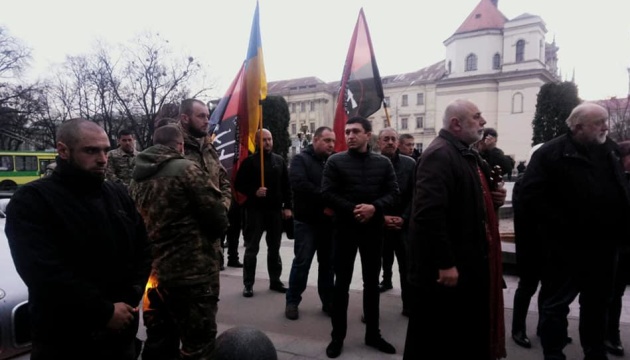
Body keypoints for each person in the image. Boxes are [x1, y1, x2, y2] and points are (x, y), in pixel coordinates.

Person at [5, 118, 151, 360]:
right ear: (63, 150)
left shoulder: (116, 194)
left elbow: (143, 249)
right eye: (91, 151)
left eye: (105, 150)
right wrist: (103, 312)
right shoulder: (32, 200)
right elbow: (42, 272)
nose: (103, 159)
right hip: (65, 340)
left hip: (121, 334)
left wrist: (128, 300)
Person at [519, 102, 630, 360]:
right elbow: (531, 199)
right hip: (563, 248)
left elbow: (620, 190)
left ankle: (595, 352)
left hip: (603, 247)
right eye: (599, 123)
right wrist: (564, 226)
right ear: (578, 127)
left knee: (597, 305)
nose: (606, 127)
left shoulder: (609, 150)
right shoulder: (550, 153)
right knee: (556, 307)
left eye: (606, 121)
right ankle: (554, 354)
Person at [404, 99, 507, 360]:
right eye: (477, 116)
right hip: (447, 269)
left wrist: (491, 198)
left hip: (466, 261)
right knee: (438, 339)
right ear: (456, 124)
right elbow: (428, 214)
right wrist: (445, 262)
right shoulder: (440, 154)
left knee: (459, 335)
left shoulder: (463, 152)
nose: (483, 122)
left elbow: (467, 199)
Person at [129, 125, 228, 359]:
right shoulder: (186, 169)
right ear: (180, 145)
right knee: (198, 345)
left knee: (159, 341)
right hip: (192, 275)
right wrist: (225, 198)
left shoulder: (137, 176)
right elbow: (218, 220)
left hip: (154, 276)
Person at [321, 116, 400, 358]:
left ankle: (373, 334)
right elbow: (327, 193)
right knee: (341, 284)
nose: (350, 136)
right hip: (345, 230)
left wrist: (374, 208)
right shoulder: (335, 161)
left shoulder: (383, 164)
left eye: (355, 131)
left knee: (371, 284)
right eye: (347, 132)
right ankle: (337, 336)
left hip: (373, 231)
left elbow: (394, 192)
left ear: (368, 135)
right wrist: (355, 209)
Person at [285, 126, 336, 320]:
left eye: (333, 141)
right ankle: (292, 301)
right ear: (315, 140)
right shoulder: (300, 160)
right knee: (302, 263)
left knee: (328, 265)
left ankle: (328, 302)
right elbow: (300, 185)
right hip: (306, 222)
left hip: (328, 223)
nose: (331, 144)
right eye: (327, 140)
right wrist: (327, 198)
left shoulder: (334, 161)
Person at [234, 128, 293, 297]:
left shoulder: (279, 161)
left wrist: (288, 206)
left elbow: (287, 186)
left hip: (274, 211)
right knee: (252, 248)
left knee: (274, 248)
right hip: (255, 211)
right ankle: (248, 284)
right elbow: (238, 184)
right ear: (257, 142)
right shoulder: (250, 162)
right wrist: (254, 191)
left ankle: (275, 280)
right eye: (264, 140)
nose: (268, 142)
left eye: (270, 139)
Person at [177, 99, 232, 269]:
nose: (207, 120)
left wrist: (222, 207)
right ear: (185, 118)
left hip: (212, 238)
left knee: (211, 293)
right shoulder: (173, 146)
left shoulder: (208, 147)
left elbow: (224, 181)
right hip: (184, 242)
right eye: (201, 116)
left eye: (207, 116)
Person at [376, 128, 415, 318]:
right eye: (386, 139)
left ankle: (409, 304)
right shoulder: (371, 163)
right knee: (376, 265)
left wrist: (404, 218)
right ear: (379, 143)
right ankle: (372, 308)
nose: (390, 142)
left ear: (398, 142)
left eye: (393, 139)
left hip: (403, 224)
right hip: (379, 224)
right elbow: (368, 194)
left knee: (407, 267)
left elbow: (415, 195)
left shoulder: (410, 164)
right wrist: (381, 217)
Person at [604, 139, 630, 357]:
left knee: (616, 293)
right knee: (611, 294)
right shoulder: (612, 179)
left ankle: (611, 334)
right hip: (615, 247)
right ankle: (610, 334)